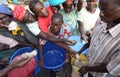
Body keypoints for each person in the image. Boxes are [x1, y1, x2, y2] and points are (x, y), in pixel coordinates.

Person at [78, 0, 120, 77]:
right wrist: (80, 51)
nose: (100, 13)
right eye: (100, 8)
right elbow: (93, 39)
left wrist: (88, 69)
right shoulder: (102, 18)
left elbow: (110, 68)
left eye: (106, 10)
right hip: (88, 64)